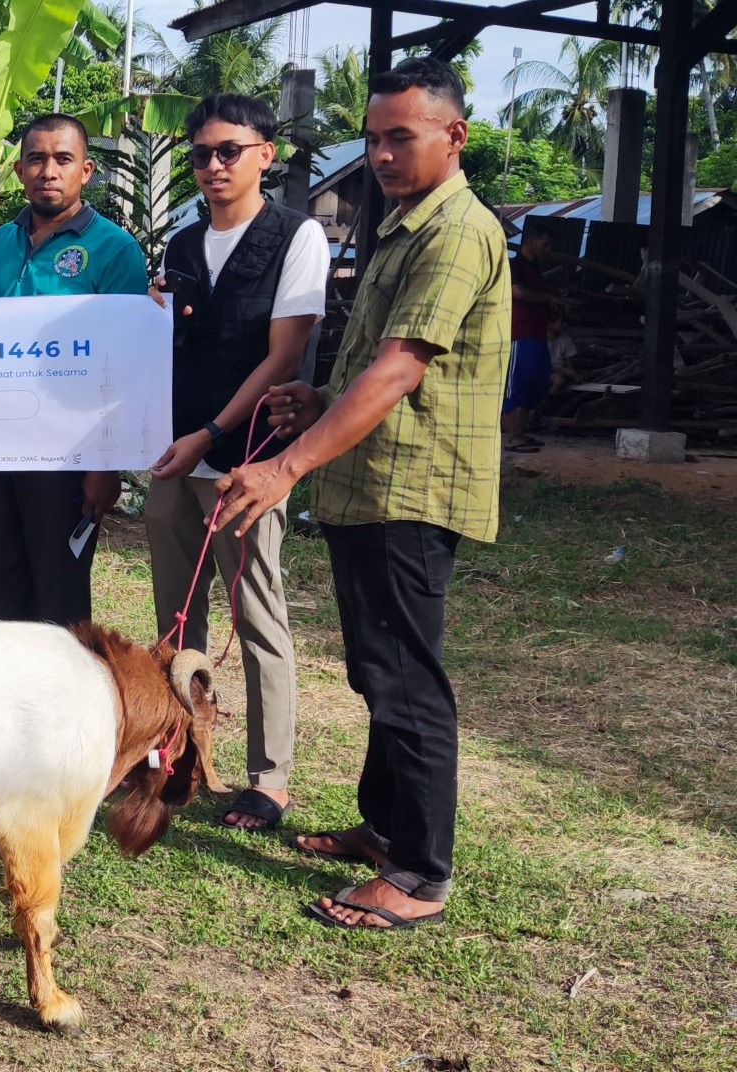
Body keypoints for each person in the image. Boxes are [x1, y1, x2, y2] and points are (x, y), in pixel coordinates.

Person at [214, 56, 509, 930]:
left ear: (454, 137)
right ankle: (384, 829)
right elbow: (368, 372)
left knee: (406, 682)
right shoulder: (405, 226)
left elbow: (397, 373)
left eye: (400, 137)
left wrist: (283, 465)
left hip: (412, 491)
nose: (380, 154)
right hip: (371, 485)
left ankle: (418, 876)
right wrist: (314, 402)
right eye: (374, 138)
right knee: (378, 672)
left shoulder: (456, 232)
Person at [148, 94, 328, 831]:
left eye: (229, 150)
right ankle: (176, 754)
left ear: (266, 154)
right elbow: (167, 346)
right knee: (176, 617)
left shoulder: (296, 236)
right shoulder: (182, 246)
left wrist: (212, 433)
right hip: (173, 453)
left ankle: (269, 779)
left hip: (249, 456)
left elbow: (285, 353)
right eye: (200, 154)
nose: (214, 165)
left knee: (257, 614)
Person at [0, 113, 149, 626]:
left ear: (86, 170)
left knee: (59, 600)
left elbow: (125, 362)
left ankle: (63, 705)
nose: (49, 170)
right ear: (20, 170)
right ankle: (4, 705)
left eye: (63, 159)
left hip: (68, 455)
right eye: (36, 159)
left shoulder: (115, 250)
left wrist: (105, 464)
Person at [504, 226, 556, 452]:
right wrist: (548, 297)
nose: (547, 249)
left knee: (536, 381)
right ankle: (513, 436)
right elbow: (517, 292)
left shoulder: (535, 269)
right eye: (544, 244)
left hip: (537, 332)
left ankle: (521, 433)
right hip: (519, 332)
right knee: (519, 382)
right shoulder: (515, 266)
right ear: (531, 241)